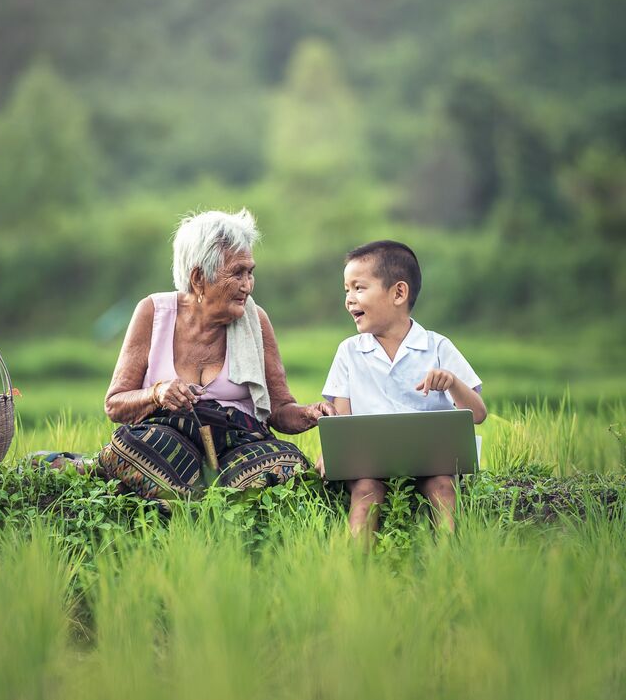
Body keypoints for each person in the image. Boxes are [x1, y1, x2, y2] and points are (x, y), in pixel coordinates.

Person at [100, 209, 335, 505]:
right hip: (170, 442)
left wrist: (308, 414)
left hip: (237, 443)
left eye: (250, 273)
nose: (248, 285)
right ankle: (211, 500)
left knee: (287, 464)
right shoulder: (153, 313)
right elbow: (115, 404)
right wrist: (156, 394)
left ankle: (187, 499)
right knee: (131, 445)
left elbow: (279, 410)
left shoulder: (256, 321)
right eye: (237, 273)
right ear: (198, 277)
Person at [320, 240, 487, 540]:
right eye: (346, 290)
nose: (349, 299)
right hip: (369, 463)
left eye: (359, 288)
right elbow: (341, 420)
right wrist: (331, 451)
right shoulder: (349, 352)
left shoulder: (437, 347)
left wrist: (452, 383)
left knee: (442, 487)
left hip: (433, 460)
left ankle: (448, 561)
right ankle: (356, 569)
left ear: (398, 293)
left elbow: (478, 413)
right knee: (365, 490)